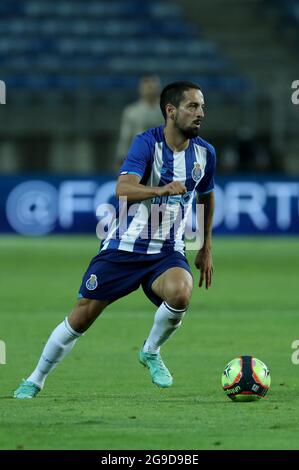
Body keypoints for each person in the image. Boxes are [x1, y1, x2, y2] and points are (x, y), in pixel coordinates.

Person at [14, 81, 216, 399]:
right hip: (124, 247)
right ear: (171, 110)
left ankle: (150, 351)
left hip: (166, 250)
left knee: (181, 294)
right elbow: (123, 190)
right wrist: (160, 190)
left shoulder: (206, 153)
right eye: (193, 106)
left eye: (202, 106)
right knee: (82, 315)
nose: (200, 113)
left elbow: (206, 194)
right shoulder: (145, 144)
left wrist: (205, 246)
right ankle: (35, 378)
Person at [114, 75, 162, 171]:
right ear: (140, 89)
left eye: (152, 86)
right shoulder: (131, 111)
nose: (150, 89)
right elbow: (125, 137)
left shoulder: (167, 110)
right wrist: (120, 158)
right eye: (147, 86)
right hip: (139, 158)